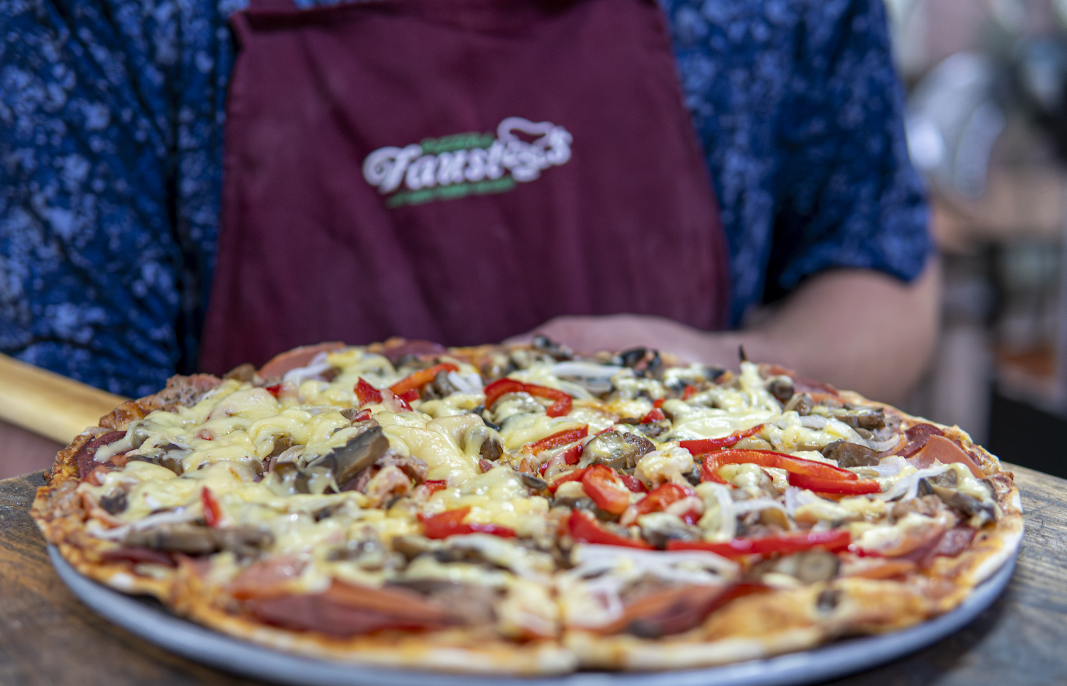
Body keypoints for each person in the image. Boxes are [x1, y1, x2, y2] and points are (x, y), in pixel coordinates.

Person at [0, 0, 935, 407]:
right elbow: (40, 431)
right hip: (246, 650)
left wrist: (727, 373)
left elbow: (883, 279)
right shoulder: (101, 17)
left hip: (696, 589)